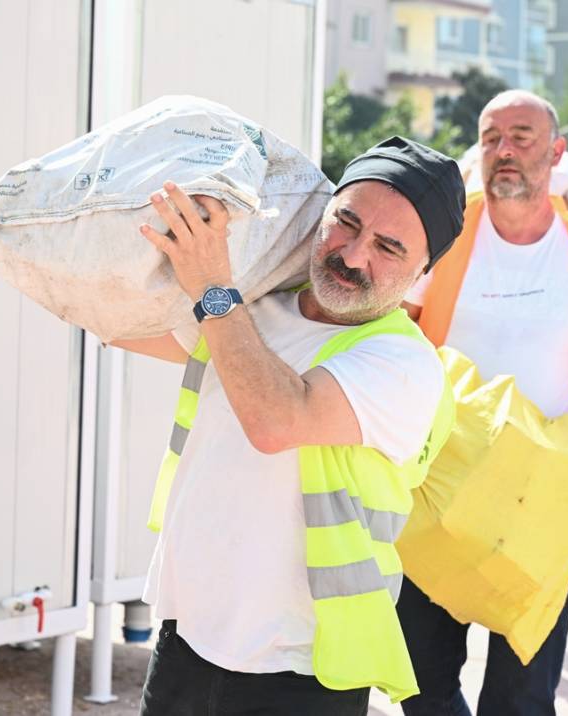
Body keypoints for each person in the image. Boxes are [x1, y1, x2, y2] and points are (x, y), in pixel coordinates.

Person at [112, 136, 467, 715]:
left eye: (388, 247)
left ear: (423, 270)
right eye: (345, 223)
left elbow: (277, 420)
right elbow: (117, 321)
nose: (353, 255)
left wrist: (213, 286)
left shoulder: (403, 364)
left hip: (297, 672)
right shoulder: (256, 307)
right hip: (189, 638)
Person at [399, 90, 568, 716]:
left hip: (545, 499)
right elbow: (395, 331)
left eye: (521, 136)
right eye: (491, 138)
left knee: (523, 697)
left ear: (556, 152)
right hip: (443, 489)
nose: (504, 151)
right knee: (419, 679)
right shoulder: (444, 235)